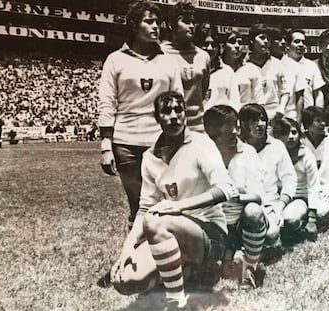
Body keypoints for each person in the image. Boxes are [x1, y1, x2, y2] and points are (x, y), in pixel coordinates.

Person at [110, 91, 239, 310]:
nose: (173, 116)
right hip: (171, 233)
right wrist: (127, 248)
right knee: (125, 281)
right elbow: (143, 209)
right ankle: (189, 272)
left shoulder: (201, 143)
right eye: (166, 111)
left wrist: (178, 206)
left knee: (155, 221)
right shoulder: (150, 157)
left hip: (210, 234)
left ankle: (176, 301)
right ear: (157, 117)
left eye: (178, 110)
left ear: (185, 114)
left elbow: (226, 189)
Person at [98, 1, 183, 228]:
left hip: (161, 141)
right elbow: (107, 102)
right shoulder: (115, 59)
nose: (156, 26)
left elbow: (177, 102)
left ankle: (165, 255)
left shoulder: (168, 61)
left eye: (158, 22)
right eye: (149, 21)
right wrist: (106, 145)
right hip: (126, 142)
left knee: (165, 201)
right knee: (137, 206)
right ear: (134, 25)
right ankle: (134, 257)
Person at [204, 105, 267, 289]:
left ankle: (250, 268)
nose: (235, 132)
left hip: (241, 221)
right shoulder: (203, 153)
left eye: (236, 126)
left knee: (254, 212)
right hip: (213, 223)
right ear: (213, 131)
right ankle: (230, 255)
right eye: (229, 127)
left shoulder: (247, 152)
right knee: (216, 269)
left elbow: (258, 196)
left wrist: (235, 196)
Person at [239, 104, 297, 248]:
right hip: (246, 206)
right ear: (244, 124)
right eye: (253, 121)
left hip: (273, 205)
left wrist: (280, 205)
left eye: (262, 119)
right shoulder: (237, 147)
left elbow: (290, 179)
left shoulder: (277, 146)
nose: (259, 125)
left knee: (274, 233)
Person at [161, 2, 210, 132]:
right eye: (186, 22)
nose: (192, 26)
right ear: (171, 25)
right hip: (169, 127)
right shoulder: (159, 53)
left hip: (197, 126)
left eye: (193, 22)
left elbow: (202, 90)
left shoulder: (203, 56)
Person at [273, 117, 321, 241]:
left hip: (299, 197)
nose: (290, 137)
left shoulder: (306, 156)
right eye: (285, 133)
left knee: (289, 219)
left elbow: (314, 186)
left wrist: (312, 219)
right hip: (277, 197)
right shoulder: (274, 153)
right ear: (277, 135)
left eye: (294, 132)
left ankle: (301, 220)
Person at [301, 106, 329, 225]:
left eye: (323, 120)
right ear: (308, 124)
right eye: (317, 120)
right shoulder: (300, 141)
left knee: (320, 213)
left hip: (328, 189)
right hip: (306, 191)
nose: (322, 124)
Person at [244, 24, 290, 120]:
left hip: (275, 114)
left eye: (268, 39)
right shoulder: (244, 65)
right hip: (252, 116)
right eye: (262, 38)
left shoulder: (277, 64)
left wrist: (281, 109)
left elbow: (285, 91)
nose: (265, 41)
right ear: (252, 41)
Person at [194, 24, 240, 111]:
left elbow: (235, 104)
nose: (210, 48)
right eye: (205, 44)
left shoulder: (227, 72)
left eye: (213, 44)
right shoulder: (192, 70)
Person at [222, 30, 265, 107]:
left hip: (246, 115)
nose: (237, 46)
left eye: (240, 43)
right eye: (232, 42)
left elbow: (259, 99)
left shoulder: (251, 69)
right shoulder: (217, 69)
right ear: (223, 46)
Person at [286, 29, 325, 109]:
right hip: (286, 114)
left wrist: (318, 114)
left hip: (307, 115)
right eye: (297, 41)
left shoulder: (311, 65)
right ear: (287, 45)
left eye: (303, 42)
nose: (301, 44)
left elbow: (318, 93)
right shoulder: (280, 65)